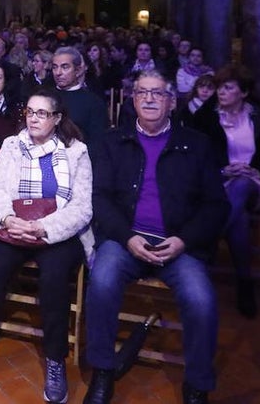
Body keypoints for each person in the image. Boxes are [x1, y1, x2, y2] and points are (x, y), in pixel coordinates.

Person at [83, 71, 229, 404]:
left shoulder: (197, 144)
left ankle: (197, 385)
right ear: (132, 100)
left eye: (158, 94)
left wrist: (183, 241)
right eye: (142, 93)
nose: (149, 99)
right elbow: (99, 197)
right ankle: (103, 371)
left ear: (171, 101)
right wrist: (126, 237)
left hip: (179, 244)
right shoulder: (110, 142)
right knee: (102, 283)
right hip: (125, 241)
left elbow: (216, 206)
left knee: (201, 300)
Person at [0, 89, 94, 404]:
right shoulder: (11, 145)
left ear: (57, 119)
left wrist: (43, 227)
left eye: (42, 113)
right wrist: (6, 218)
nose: (33, 118)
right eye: (29, 111)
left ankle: (55, 359)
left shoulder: (76, 152)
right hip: (14, 227)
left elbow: (82, 207)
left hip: (56, 232)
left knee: (55, 279)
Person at [190, 66, 260, 318]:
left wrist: (254, 170)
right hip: (218, 183)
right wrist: (223, 169)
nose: (221, 92)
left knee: (242, 185)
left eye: (228, 87)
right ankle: (245, 283)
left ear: (243, 92)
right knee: (239, 219)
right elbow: (196, 157)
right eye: (219, 87)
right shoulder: (207, 118)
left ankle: (206, 242)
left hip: (255, 183)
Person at [50, 46, 109, 147]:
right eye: (55, 67)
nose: (58, 73)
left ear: (77, 71)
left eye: (65, 67)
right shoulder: (43, 98)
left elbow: (98, 142)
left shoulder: (93, 102)